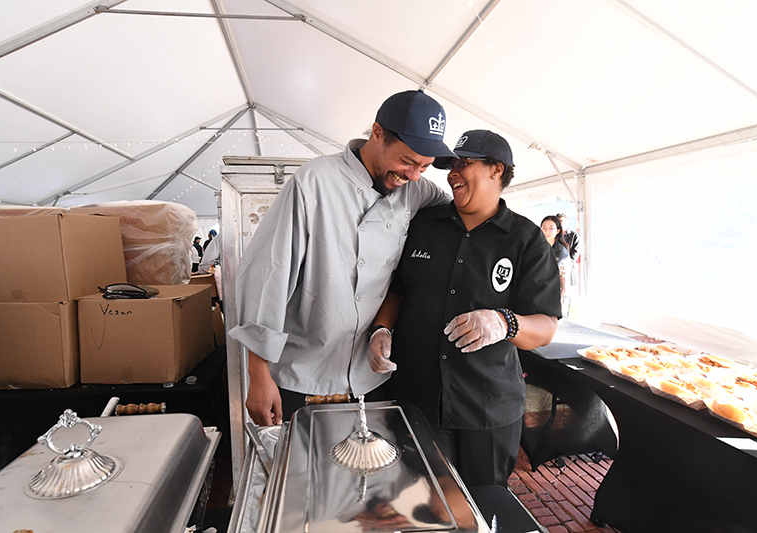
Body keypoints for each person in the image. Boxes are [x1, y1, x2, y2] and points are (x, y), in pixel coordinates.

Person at [230, 90, 455, 425]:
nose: (414, 175)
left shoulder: (417, 190)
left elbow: (460, 213)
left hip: (370, 377)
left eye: (424, 167)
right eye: (408, 162)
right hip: (302, 378)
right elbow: (269, 275)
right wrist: (258, 372)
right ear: (377, 133)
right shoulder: (315, 181)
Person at [368, 129, 562, 487]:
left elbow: (546, 326)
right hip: (417, 399)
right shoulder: (425, 224)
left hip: (486, 408)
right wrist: (381, 329)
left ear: (496, 170)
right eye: (451, 165)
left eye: (464, 163)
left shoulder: (526, 240)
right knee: (419, 504)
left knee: (481, 505)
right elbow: (396, 291)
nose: (452, 173)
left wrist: (505, 322)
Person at [541, 215, 570, 313]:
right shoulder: (540, 246)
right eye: (544, 228)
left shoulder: (561, 250)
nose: (547, 231)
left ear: (558, 231)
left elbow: (551, 270)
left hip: (558, 286)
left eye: (551, 229)